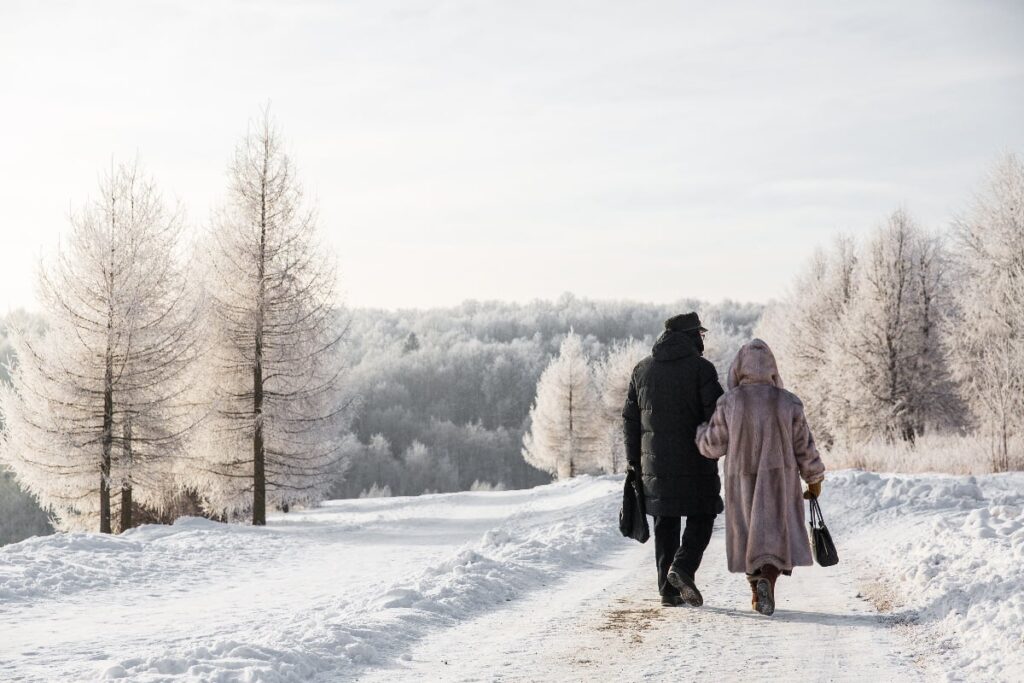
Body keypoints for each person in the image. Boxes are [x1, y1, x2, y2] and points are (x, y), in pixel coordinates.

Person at [696, 338, 825, 616]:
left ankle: (757, 591)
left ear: (738, 368)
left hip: (741, 481)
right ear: (772, 368)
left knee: (747, 537)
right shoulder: (788, 401)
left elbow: (712, 446)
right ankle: (768, 581)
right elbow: (805, 446)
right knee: (775, 538)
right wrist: (813, 478)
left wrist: (700, 432)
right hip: (780, 482)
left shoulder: (729, 402)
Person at [623, 312, 725, 607]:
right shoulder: (701, 370)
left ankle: (667, 592)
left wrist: (634, 463)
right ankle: (681, 568)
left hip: (654, 465)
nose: (703, 340)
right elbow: (717, 416)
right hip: (696, 462)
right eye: (701, 335)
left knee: (665, 522)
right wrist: (718, 447)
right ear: (692, 336)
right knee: (703, 514)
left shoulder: (641, 370)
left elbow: (630, 420)